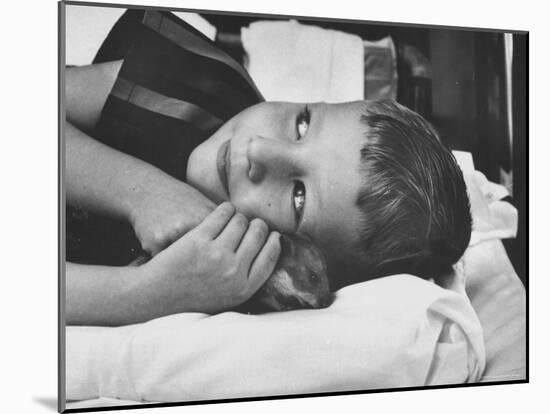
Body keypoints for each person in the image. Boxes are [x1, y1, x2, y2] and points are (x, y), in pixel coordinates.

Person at [65, 9, 471, 326]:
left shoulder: (225, 295)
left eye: (298, 196)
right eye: (303, 122)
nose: (260, 149)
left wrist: (144, 294)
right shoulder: (197, 88)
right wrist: (138, 190)